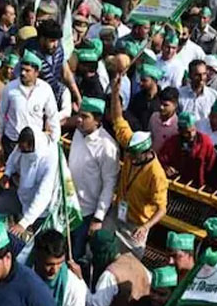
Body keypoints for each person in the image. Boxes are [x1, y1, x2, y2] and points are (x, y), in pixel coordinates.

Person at [107, 76, 168, 255]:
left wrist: (145, 227)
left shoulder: (156, 174)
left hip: (136, 225)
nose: (130, 156)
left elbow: (162, 208)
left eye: (134, 154)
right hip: (118, 213)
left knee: (131, 262)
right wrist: (115, 92)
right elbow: (117, 118)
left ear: (146, 152)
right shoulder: (131, 145)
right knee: (102, 247)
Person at [66, 96, 119, 260]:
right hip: (68, 206)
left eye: (85, 117)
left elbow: (109, 184)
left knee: (76, 256)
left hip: (87, 213)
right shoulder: (77, 133)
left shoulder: (107, 146)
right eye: (79, 115)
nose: (79, 120)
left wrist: (98, 218)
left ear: (97, 120)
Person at [2, 126, 58, 233]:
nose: (23, 153)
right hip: (23, 197)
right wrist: (7, 174)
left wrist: (24, 222)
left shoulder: (49, 159)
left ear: (33, 146)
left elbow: (44, 194)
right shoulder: (23, 146)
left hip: (41, 210)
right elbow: (13, 159)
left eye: (26, 151)